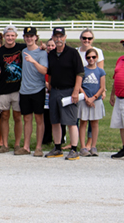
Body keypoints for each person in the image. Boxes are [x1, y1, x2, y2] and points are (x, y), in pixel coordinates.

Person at [27, 28, 84, 160]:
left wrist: (76, 91)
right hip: (55, 91)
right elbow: (50, 72)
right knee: (55, 121)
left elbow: (80, 73)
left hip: (69, 90)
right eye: (56, 36)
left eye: (61, 36)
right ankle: (57, 147)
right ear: (53, 37)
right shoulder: (51, 54)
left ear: (65, 37)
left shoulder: (72, 53)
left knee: (70, 121)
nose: (59, 39)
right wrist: (50, 86)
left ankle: (74, 149)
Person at [0, 25, 25, 153]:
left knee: (17, 116)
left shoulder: (22, 48)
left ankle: (17, 144)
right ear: (4, 37)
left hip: (18, 88)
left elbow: (35, 50)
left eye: (12, 35)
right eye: (7, 35)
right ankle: (4, 144)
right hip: (4, 88)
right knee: (4, 116)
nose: (10, 38)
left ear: (16, 36)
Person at [16, 27, 47, 156]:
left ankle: (38, 147)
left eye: (31, 36)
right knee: (27, 119)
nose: (29, 38)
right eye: (27, 36)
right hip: (24, 90)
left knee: (39, 119)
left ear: (36, 37)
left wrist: (34, 61)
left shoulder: (42, 53)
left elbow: (44, 71)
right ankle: (26, 146)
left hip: (38, 89)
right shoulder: (23, 51)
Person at [78, 48, 106, 157]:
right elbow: (79, 86)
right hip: (84, 100)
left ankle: (93, 146)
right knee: (83, 122)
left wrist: (93, 98)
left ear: (97, 58)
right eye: (89, 57)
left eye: (93, 57)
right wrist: (86, 98)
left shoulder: (100, 71)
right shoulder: (83, 70)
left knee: (94, 123)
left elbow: (102, 87)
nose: (91, 59)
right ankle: (83, 147)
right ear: (86, 58)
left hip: (96, 101)